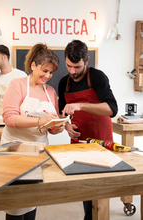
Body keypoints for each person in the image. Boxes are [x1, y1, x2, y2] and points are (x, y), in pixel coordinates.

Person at [1, 43, 65, 220]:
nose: (48, 76)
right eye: (44, 70)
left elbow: (50, 126)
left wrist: (57, 127)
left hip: (38, 151)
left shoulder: (50, 91)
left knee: (31, 200)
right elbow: (9, 119)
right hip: (14, 150)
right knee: (15, 204)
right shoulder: (17, 85)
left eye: (51, 72)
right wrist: (39, 121)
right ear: (33, 65)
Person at [58, 40, 118, 220]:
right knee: (84, 184)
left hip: (101, 139)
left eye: (77, 67)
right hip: (78, 141)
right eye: (69, 66)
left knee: (101, 186)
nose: (72, 71)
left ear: (87, 60)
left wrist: (81, 106)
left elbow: (112, 109)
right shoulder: (64, 83)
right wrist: (67, 126)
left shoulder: (98, 77)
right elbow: (62, 114)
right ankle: (89, 216)